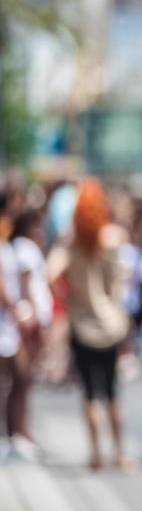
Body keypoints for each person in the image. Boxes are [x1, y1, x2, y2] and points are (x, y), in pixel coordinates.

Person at [49, 179, 134, 472]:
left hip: (83, 322)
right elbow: (123, 278)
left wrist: (69, 296)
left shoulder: (70, 240)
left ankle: (96, 454)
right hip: (110, 321)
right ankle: (120, 452)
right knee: (111, 390)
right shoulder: (112, 238)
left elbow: (50, 273)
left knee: (89, 392)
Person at [0, 193, 27, 460]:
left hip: (7, 323)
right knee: (16, 377)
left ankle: (12, 435)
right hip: (4, 323)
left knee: (17, 377)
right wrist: (16, 308)